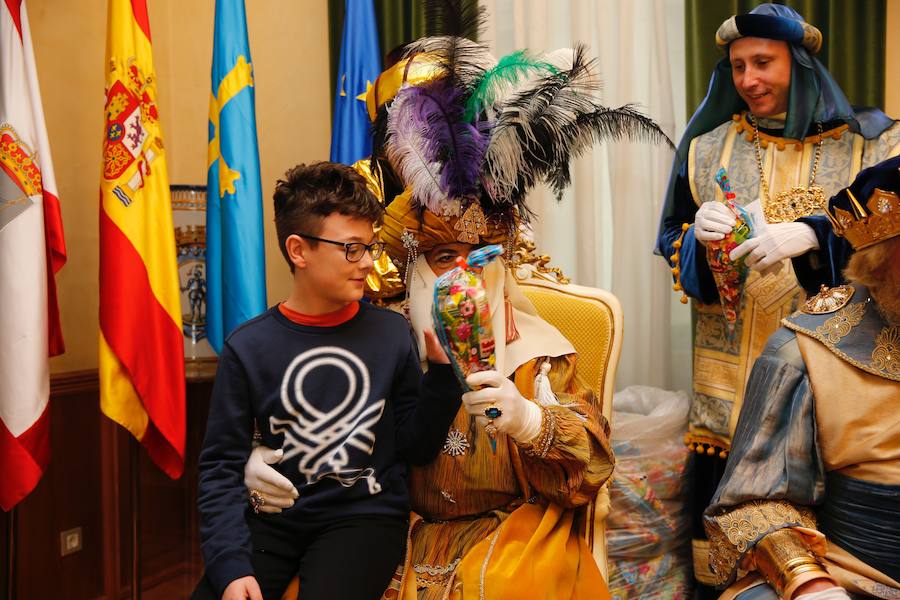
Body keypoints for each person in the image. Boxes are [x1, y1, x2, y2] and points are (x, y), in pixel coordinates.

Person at [242, 9, 671, 594]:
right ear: (414, 261)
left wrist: (531, 422)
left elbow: (592, 468)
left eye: (479, 259)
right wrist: (259, 459)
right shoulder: (379, 331)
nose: (461, 279)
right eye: (444, 259)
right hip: (388, 530)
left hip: (510, 536)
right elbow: (306, 407)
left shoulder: (535, 351)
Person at [654, 4, 900, 590]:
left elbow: (891, 244)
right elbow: (670, 240)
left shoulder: (874, 143)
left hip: (838, 386)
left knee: (826, 543)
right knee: (728, 554)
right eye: (737, 67)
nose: (748, 80)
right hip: (729, 387)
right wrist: (698, 242)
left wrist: (819, 233)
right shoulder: (707, 147)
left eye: (763, 62)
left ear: (802, 64)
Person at [192, 162, 463, 600]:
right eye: (352, 249)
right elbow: (220, 467)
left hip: (363, 518)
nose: (369, 263)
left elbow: (416, 446)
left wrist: (444, 373)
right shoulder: (248, 347)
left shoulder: (391, 333)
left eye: (370, 247)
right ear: (299, 251)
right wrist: (229, 564)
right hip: (273, 519)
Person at [704, 155, 900, 599]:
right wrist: (807, 581)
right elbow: (750, 508)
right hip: (854, 578)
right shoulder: (803, 353)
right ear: (880, 255)